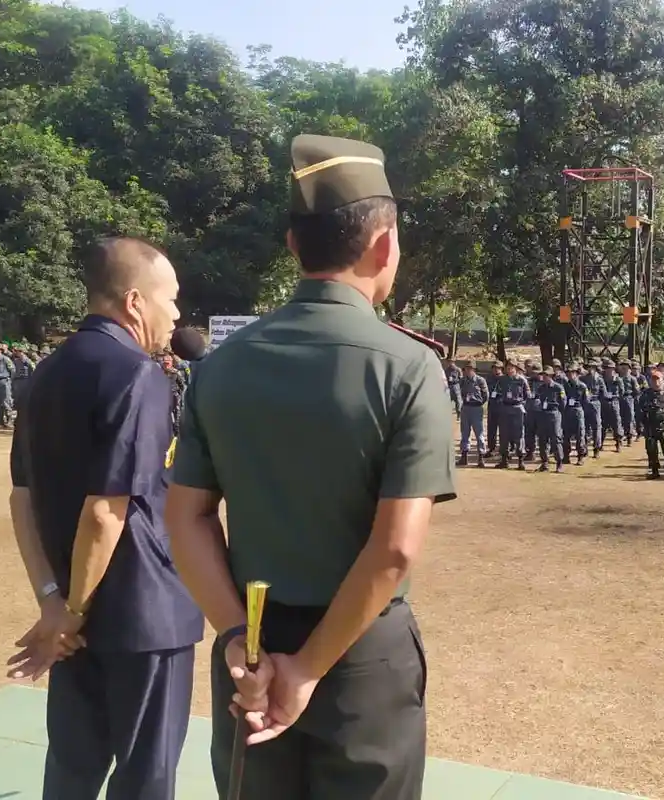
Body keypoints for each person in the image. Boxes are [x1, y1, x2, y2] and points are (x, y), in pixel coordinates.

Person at [166, 134, 456, 800]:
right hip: (360, 657)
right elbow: (393, 550)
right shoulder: (409, 368)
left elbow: (185, 518)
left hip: (251, 654)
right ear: (385, 244)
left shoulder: (220, 367)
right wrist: (308, 670)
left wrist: (237, 636)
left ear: (294, 246)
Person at [5, 236, 203, 800]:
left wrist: (56, 602)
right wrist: (69, 613)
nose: (177, 315)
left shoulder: (45, 372)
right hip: (142, 618)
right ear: (136, 301)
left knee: (73, 769)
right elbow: (105, 511)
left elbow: (22, 499)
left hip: (74, 616)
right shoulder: (137, 373)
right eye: (171, 298)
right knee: (146, 776)